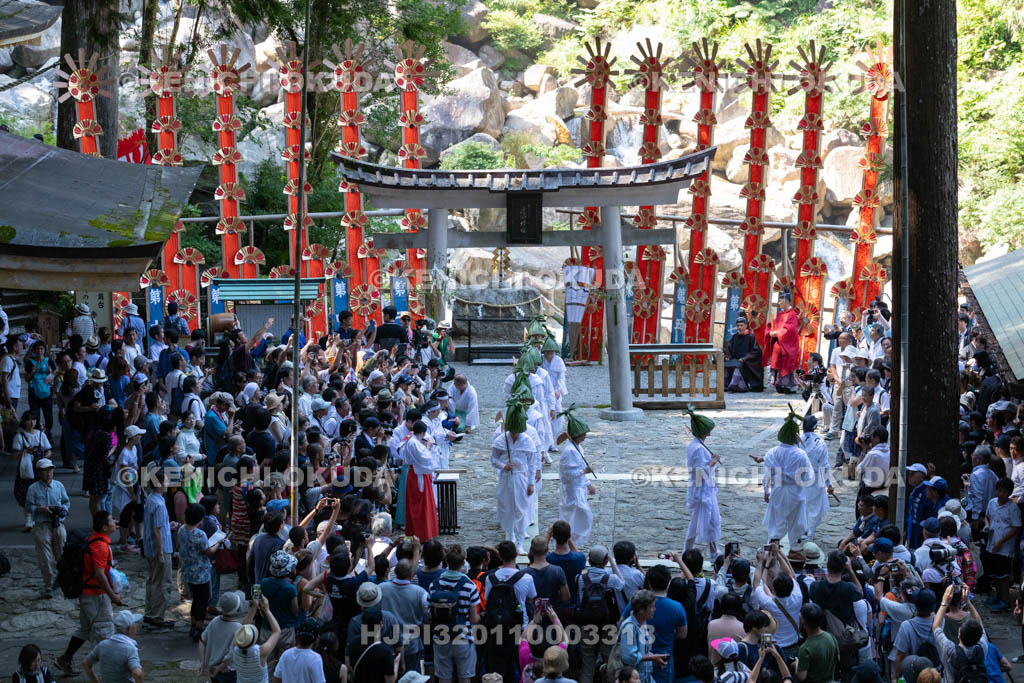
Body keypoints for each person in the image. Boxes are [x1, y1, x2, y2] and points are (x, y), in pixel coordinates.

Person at [57, 511, 124, 677]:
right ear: (104, 527)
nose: (115, 521)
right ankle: (110, 673)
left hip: (88, 594)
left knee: (86, 629)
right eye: (111, 520)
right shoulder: (100, 546)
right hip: (95, 596)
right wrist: (113, 596)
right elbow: (100, 575)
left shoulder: (95, 538)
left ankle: (65, 659)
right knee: (105, 632)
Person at [620, 565, 686, 683]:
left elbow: (619, 625)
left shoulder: (635, 605)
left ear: (649, 583)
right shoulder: (677, 607)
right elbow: (682, 635)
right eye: (652, 607)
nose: (654, 610)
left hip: (648, 666)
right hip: (660, 662)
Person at [758, 407, 811, 548]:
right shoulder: (801, 454)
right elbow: (807, 476)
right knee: (795, 523)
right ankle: (794, 549)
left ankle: (772, 548)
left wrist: (766, 491)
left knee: (776, 522)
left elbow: (766, 475)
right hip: (795, 492)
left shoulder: (771, 453)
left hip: (778, 490)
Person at [430, 544, 481, 683]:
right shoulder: (469, 586)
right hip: (463, 637)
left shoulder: (434, 585)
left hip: (441, 636)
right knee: (465, 677)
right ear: (464, 562)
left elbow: (430, 613)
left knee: (444, 678)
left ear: (446, 561)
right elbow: (473, 618)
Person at [492, 400, 537, 553]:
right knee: (507, 507)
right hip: (506, 478)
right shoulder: (501, 440)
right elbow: (493, 459)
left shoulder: (527, 441)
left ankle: (519, 542)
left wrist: (531, 483)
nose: (514, 435)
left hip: (522, 478)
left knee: (522, 509)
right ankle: (510, 536)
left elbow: (532, 464)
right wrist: (503, 466)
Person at [25, 458, 69, 598]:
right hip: (41, 525)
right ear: (39, 472)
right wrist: (40, 509)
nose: (49, 472)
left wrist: (63, 511)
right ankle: (49, 585)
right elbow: (28, 506)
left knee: (61, 554)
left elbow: (66, 502)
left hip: (58, 524)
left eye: (50, 469)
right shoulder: (33, 488)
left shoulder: (59, 485)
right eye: (45, 470)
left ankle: (62, 580)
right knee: (45, 557)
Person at [180, 502, 222, 642]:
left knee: (195, 600)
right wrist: (218, 543)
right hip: (201, 573)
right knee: (202, 601)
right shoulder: (199, 534)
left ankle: (193, 625)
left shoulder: (181, 530)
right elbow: (208, 551)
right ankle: (198, 628)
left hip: (188, 571)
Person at [379, 559, 429, 674]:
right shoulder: (421, 592)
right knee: (412, 677)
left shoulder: (381, 588)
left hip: (388, 643)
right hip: (411, 644)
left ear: (395, 572)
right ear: (411, 574)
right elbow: (427, 618)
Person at [683, 407, 721, 555]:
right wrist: (713, 462)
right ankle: (711, 553)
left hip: (704, 488)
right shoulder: (698, 448)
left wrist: (712, 465)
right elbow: (700, 471)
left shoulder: (696, 444)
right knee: (708, 520)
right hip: (702, 490)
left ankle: (710, 551)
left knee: (709, 519)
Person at [932, 584, 989, 681]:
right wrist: (967, 601)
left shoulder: (950, 650)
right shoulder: (982, 647)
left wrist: (944, 602)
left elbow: (936, 627)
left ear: (959, 635)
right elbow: (980, 624)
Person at [557, 405, 595, 546]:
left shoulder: (578, 447)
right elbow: (567, 473)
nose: (585, 436)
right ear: (577, 435)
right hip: (571, 490)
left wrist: (588, 484)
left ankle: (573, 540)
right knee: (577, 515)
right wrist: (584, 472)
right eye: (583, 434)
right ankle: (570, 539)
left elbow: (578, 469)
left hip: (579, 487)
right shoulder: (569, 451)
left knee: (580, 515)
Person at [982, 477, 1020, 611]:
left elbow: (1015, 527)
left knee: (1003, 574)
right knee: (995, 572)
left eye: (1004, 492)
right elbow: (987, 516)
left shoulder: (1013, 508)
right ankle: (998, 596)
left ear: (1009, 493)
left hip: (1005, 547)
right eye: (999, 491)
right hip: (992, 543)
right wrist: (987, 525)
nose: (1001, 494)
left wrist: (1001, 542)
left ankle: (1005, 600)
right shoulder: (992, 503)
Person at [141, 469, 174, 629]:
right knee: (163, 583)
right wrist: (161, 553)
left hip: (150, 547)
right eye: (166, 481)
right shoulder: (159, 504)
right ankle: (156, 617)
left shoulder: (151, 499)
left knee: (153, 581)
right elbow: (157, 530)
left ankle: (150, 613)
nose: (168, 483)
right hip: (160, 548)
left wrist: (170, 525)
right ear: (159, 484)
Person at [618, 590, 667, 683]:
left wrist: (655, 657)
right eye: (652, 607)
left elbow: (642, 651)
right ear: (641, 610)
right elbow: (630, 657)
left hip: (646, 677)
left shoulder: (643, 622)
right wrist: (652, 658)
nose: (654, 609)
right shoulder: (629, 627)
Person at [199, 591, 248, 683]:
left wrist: (202, 662)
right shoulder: (237, 627)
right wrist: (220, 667)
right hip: (228, 671)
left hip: (212, 668)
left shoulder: (214, 620)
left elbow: (202, 640)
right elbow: (231, 654)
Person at [82, 611, 144, 683]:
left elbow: (85, 663)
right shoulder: (130, 649)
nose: (136, 626)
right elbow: (137, 673)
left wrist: (95, 681)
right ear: (130, 629)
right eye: (134, 623)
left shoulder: (102, 645)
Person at [404, 420, 439, 541]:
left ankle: (425, 532)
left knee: (423, 506)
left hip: (418, 474)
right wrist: (428, 447)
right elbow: (425, 460)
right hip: (418, 475)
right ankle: (421, 533)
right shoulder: (413, 443)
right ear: (423, 433)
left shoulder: (414, 441)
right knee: (420, 507)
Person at [232, 600, 281, 683]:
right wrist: (267, 610)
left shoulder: (235, 648)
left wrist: (254, 606)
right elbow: (277, 631)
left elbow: (243, 629)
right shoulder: (260, 652)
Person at [801, 415, 833, 540]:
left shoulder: (797, 441)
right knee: (814, 507)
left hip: (799, 478)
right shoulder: (820, 442)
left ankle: (802, 529)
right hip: (815, 478)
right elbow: (824, 465)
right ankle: (809, 533)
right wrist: (829, 484)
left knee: (802, 505)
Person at [764, 291, 800, 393]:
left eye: (780, 301)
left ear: (786, 301)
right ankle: (777, 383)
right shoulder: (780, 314)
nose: (779, 303)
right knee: (776, 361)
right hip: (779, 343)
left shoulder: (792, 314)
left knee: (787, 363)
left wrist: (777, 333)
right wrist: (770, 331)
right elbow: (773, 324)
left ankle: (788, 385)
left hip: (788, 344)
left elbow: (790, 330)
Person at [796, 603, 838, 683]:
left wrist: (797, 664)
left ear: (803, 621)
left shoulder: (805, 648)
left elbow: (801, 676)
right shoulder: (831, 637)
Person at [723, 315, 764, 392]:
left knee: (737, 366)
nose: (739, 327)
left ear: (746, 326)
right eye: (738, 325)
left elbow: (756, 351)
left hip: (747, 362)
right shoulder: (735, 336)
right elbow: (729, 349)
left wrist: (744, 359)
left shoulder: (751, 337)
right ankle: (725, 385)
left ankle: (737, 385)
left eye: (741, 325)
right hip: (735, 360)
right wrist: (728, 356)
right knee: (726, 365)